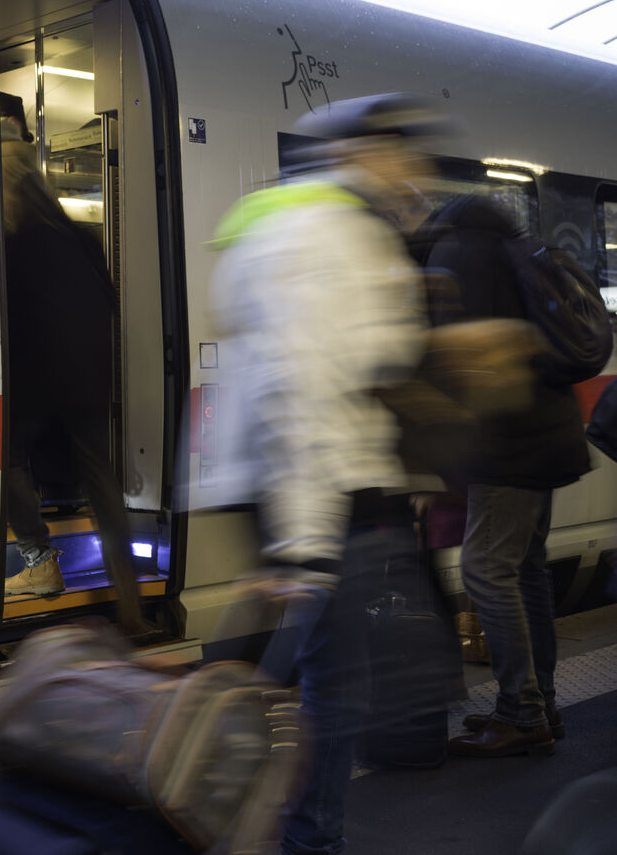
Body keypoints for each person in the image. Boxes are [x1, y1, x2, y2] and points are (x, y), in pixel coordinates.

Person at [210, 93, 451, 854]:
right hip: (324, 496)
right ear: (358, 154)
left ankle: (290, 832)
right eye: (400, 152)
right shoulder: (327, 237)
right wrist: (304, 544)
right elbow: (301, 390)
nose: (415, 169)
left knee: (336, 678)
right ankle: (303, 839)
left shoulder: (334, 228)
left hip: (334, 490)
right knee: (340, 686)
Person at [421, 194, 591, 757]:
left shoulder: (458, 253)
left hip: (507, 443)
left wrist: (442, 461)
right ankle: (543, 703)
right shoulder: (518, 249)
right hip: (548, 435)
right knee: (526, 572)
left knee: (486, 569)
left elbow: (461, 357)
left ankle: (522, 711)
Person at [0, 92, 143, 632]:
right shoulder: (80, 237)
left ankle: (40, 561)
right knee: (101, 479)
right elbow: (108, 301)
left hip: (36, 379)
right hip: (87, 377)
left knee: (3, 460)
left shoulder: (10, 242)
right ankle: (129, 596)